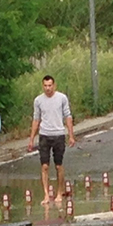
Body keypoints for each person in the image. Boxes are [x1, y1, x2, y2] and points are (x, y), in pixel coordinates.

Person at [28, 75, 76, 204]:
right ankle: (46, 194)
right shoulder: (38, 100)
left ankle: (59, 192)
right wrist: (31, 139)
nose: (48, 88)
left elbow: (68, 116)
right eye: (45, 86)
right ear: (42, 86)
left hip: (58, 135)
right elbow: (36, 119)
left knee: (58, 165)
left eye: (50, 85)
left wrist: (71, 135)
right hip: (44, 135)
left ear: (54, 85)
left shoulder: (62, 98)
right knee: (44, 166)